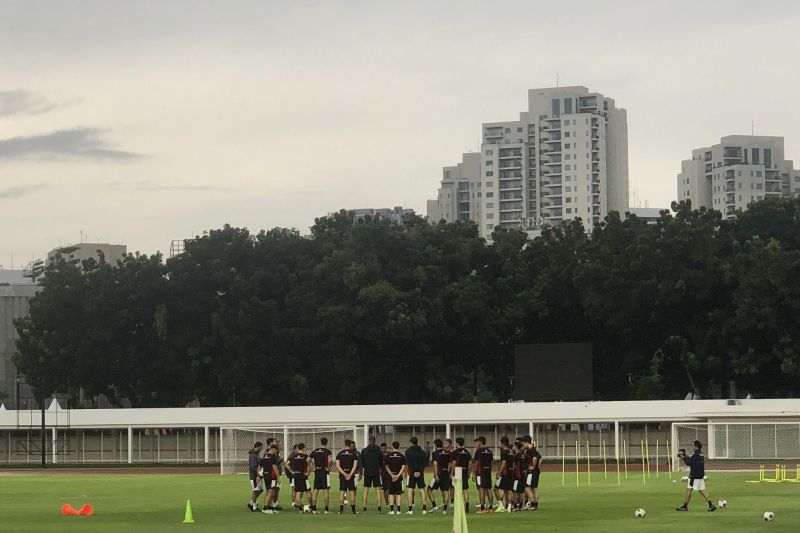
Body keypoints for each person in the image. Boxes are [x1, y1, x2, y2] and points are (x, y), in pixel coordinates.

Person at [676, 440, 717, 512]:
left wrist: (684, 457)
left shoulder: (696, 455)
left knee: (689, 490)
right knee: (702, 490)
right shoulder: (701, 454)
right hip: (700, 475)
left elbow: (689, 462)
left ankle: (685, 506)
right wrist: (686, 457)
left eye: (693, 445)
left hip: (694, 476)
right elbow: (693, 461)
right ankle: (711, 505)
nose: (692, 447)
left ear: (696, 446)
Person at [404, 436, 430, 514]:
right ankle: (424, 509)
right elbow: (425, 463)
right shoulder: (422, 452)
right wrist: (419, 471)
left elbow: (408, 463)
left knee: (410, 490)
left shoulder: (407, 451)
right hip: (420, 473)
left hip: (412, 473)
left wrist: (413, 471)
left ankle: (410, 509)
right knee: (422, 490)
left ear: (411, 442)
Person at [427, 438, 453, 513]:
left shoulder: (435, 453)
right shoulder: (448, 453)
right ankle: (445, 509)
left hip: (438, 474)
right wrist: (447, 471)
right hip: (446, 474)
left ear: (435, 446)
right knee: (445, 491)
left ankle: (434, 505)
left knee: (429, 489)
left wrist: (436, 475)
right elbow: (450, 464)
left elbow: (435, 464)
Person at [360, 435, 384, 514]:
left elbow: (362, 462)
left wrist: (366, 467)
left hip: (367, 471)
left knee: (366, 490)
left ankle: (364, 509)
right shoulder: (379, 450)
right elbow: (381, 462)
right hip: (376, 472)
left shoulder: (364, 450)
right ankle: (379, 508)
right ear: (375, 441)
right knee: (378, 490)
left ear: (369, 441)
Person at [310, 437, 333, 514]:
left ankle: (314, 509)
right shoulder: (327, 451)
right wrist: (328, 469)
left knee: (315, 490)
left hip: (317, 471)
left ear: (320, 442)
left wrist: (313, 467)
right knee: (325, 490)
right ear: (327, 442)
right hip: (324, 471)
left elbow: (307, 459)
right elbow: (330, 460)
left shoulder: (315, 451)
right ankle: (326, 510)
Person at [336, 440, 359, 514]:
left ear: (344, 444)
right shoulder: (354, 454)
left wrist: (343, 473)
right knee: (352, 491)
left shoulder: (339, 454)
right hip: (351, 475)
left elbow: (337, 465)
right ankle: (353, 510)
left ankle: (341, 509)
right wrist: (350, 474)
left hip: (342, 475)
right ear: (350, 445)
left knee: (342, 492)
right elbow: (355, 466)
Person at [287, 442, 311, 512]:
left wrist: (291, 471)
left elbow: (287, 464)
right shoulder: (305, 456)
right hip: (303, 476)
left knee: (298, 491)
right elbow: (309, 465)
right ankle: (310, 506)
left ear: (298, 448)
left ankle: (300, 508)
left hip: (296, 476)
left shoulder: (293, 456)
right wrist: (308, 472)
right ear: (304, 448)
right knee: (308, 491)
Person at [473, 436, 494, 513]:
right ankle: (491, 508)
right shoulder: (489, 451)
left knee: (481, 489)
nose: (477, 444)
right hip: (487, 472)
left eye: (477, 442)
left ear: (480, 442)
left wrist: (474, 473)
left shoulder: (478, 451)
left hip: (480, 473)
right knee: (489, 489)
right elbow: (491, 463)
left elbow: (476, 463)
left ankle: (482, 508)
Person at [385, 441, 407, 514]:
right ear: (399, 446)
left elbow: (386, 467)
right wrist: (398, 475)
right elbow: (403, 467)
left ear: (392, 446)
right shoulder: (402, 456)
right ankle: (398, 510)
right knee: (399, 493)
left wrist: (391, 475)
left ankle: (391, 510)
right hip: (398, 477)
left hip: (390, 477)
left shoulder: (388, 456)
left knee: (391, 493)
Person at [259, 444, 281, 514]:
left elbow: (260, 466)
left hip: (266, 476)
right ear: (273, 449)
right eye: (276, 451)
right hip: (272, 477)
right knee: (271, 492)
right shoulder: (273, 457)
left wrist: (259, 475)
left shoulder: (265, 456)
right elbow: (275, 467)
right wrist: (278, 477)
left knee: (270, 491)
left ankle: (271, 507)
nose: (276, 452)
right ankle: (265, 508)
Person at [452, 437, 472, 513]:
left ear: (457, 443)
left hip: (458, 470)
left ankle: (459, 505)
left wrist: (452, 472)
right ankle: (467, 505)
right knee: (465, 489)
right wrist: (469, 473)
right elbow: (470, 464)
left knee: (457, 489)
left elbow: (454, 463)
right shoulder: (467, 452)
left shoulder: (455, 452)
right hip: (465, 470)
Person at [495, 437, 515, 512]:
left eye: (500, 442)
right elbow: (513, 463)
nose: (499, 444)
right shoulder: (511, 451)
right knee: (508, 490)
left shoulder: (504, 452)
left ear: (503, 443)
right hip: (510, 473)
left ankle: (500, 505)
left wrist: (499, 473)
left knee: (496, 489)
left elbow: (503, 463)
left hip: (504, 474)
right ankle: (509, 506)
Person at [523, 435, 542, 510]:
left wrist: (533, 467)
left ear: (526, 442)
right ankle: (536, 504)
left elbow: (534, 459)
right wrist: (537, 466)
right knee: (534, 488)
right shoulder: (534, 450)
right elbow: (540, 458)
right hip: (536, 471)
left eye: (524, 443)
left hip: (532, 472)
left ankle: (532, 503)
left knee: (527, 487)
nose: (523, 445)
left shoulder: (531, 450)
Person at [247, 441, 264, 512]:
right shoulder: (253, 455)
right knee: (256, 490)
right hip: (254, 476)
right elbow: (253, 467)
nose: (262, 449)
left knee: (261, 489)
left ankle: (251, 502)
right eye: (261, 447)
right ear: (258, 446)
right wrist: (257, 476)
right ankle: (254, 507)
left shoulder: (256, 454)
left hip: (257, 476)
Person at [512, 440, 527, 511]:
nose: (513, 447)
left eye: (514, 446)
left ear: (516, 447)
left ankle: (515, 506)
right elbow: (524, 468)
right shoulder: (523, 455)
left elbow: (514, 466)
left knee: (515, 491)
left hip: (517, 477)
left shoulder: (516, 456)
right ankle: (521, 506)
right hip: (523, 476)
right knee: (521, 492)